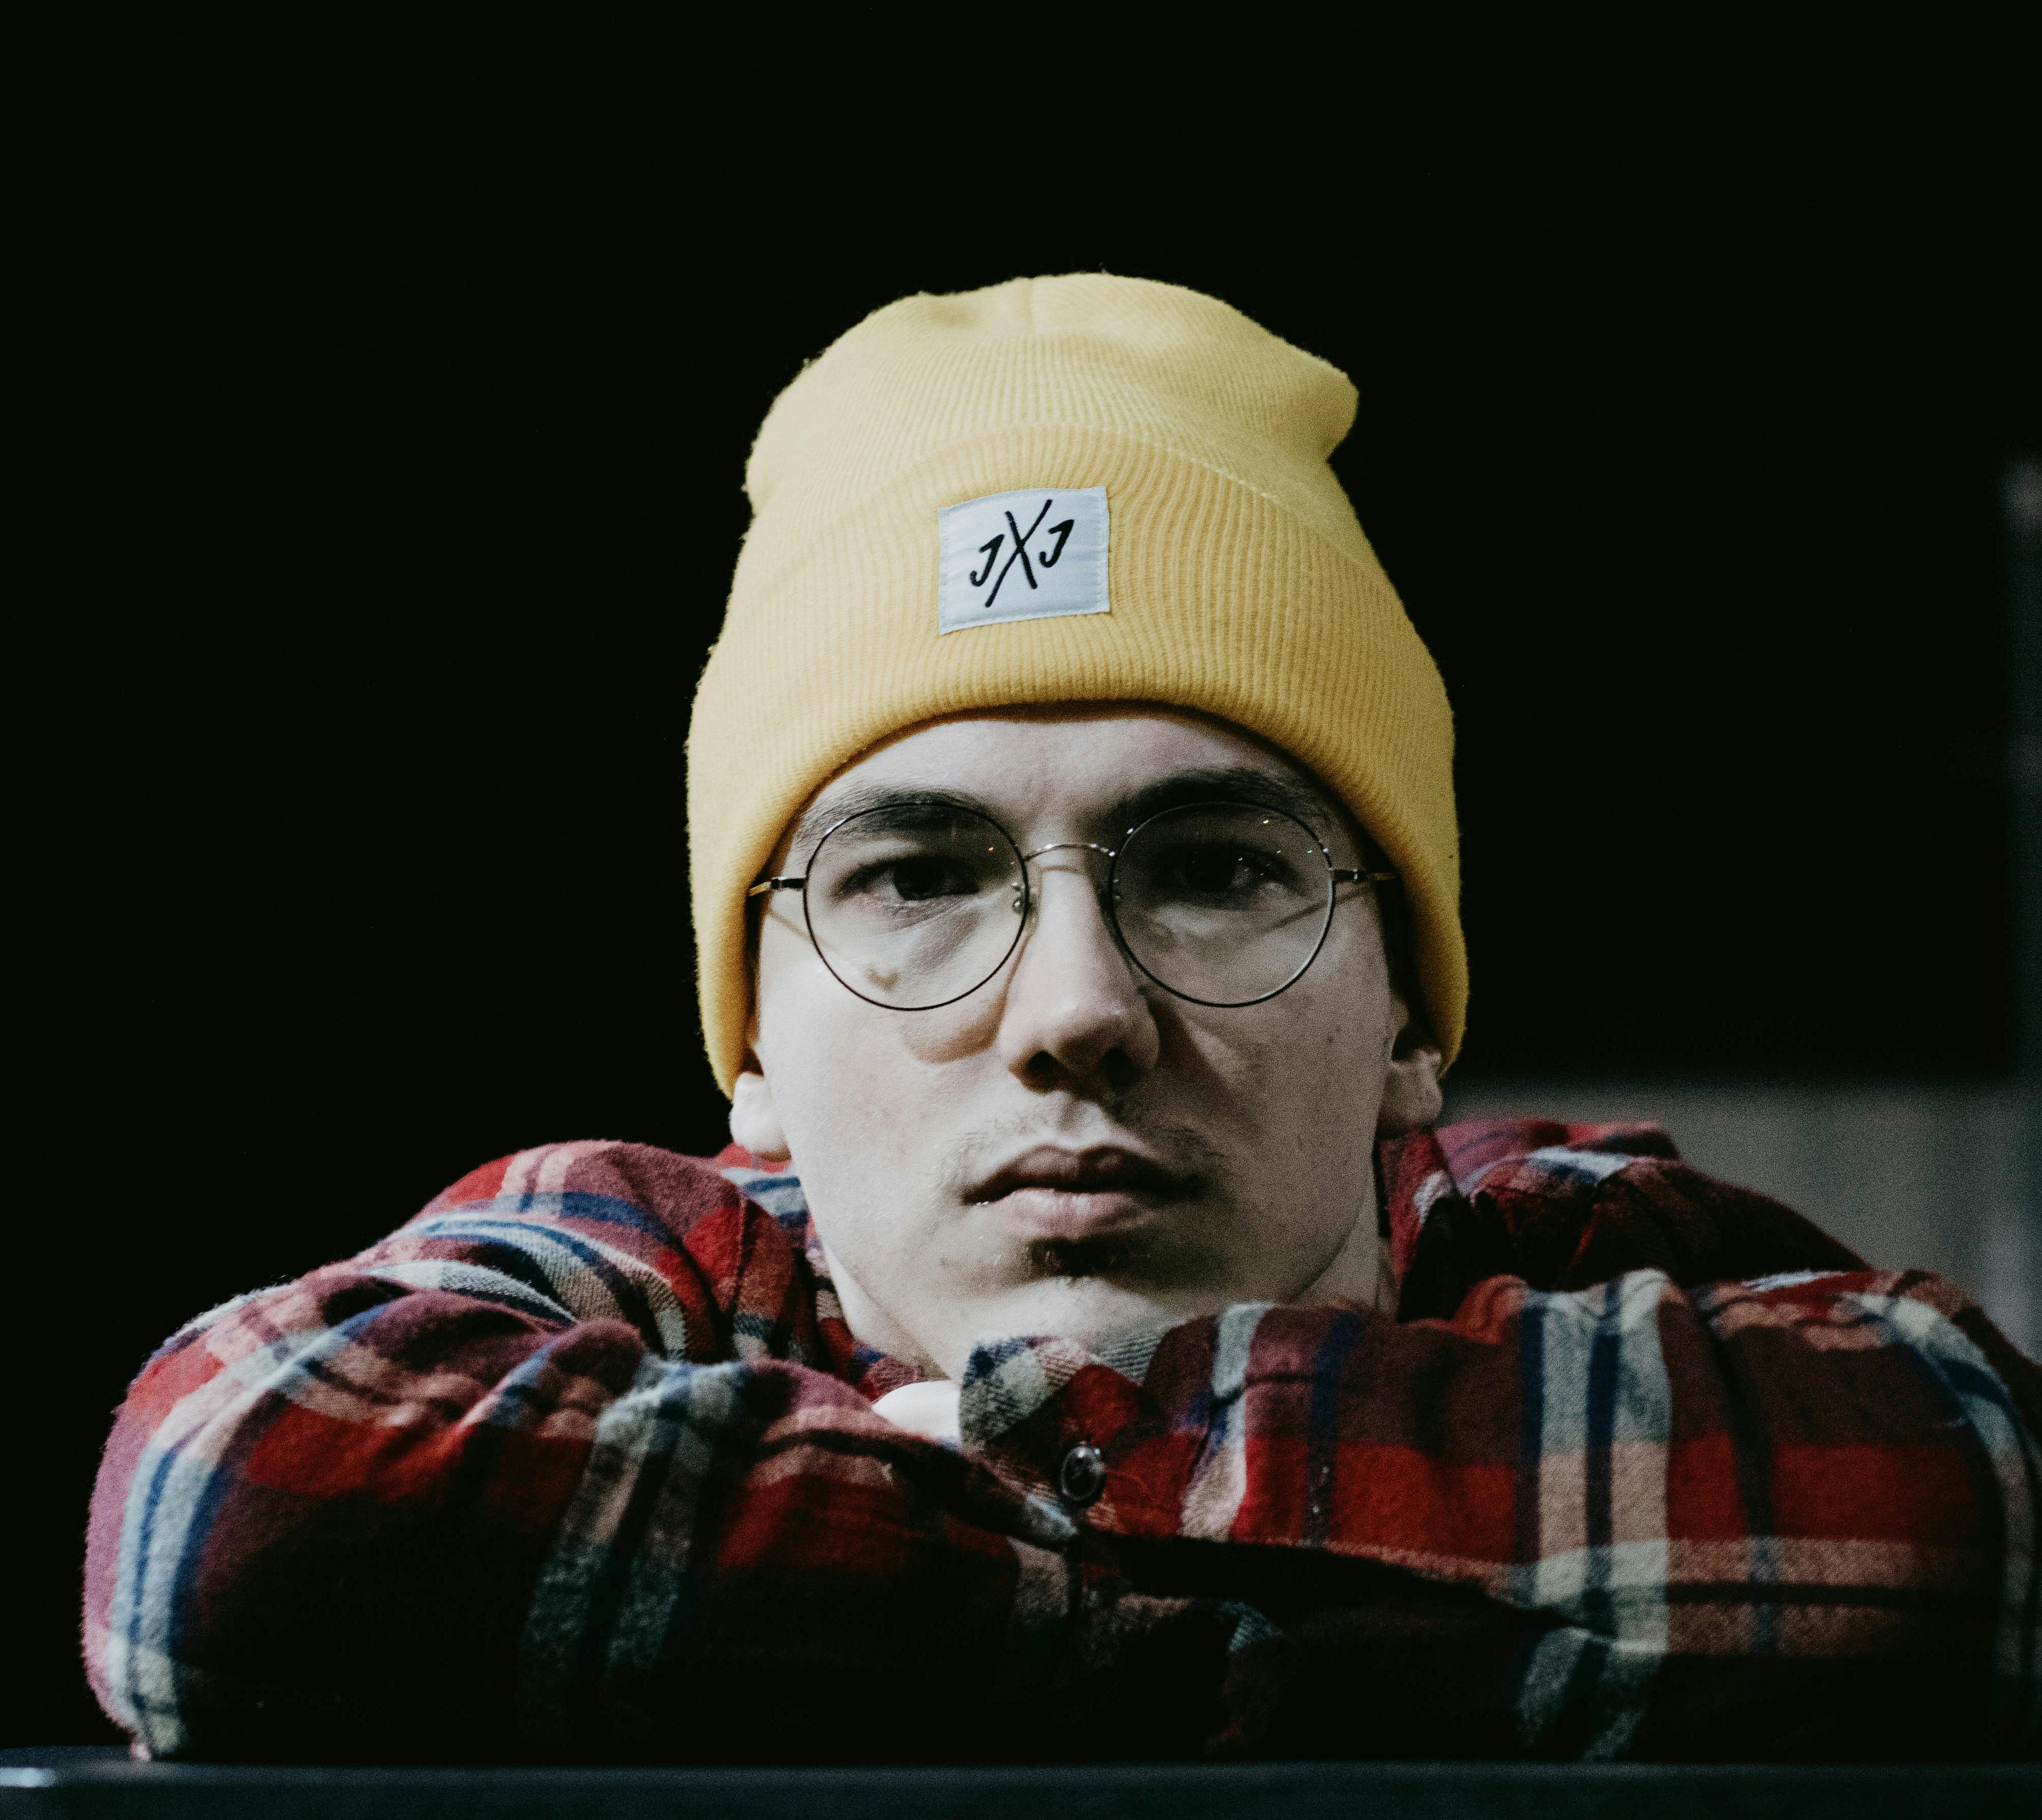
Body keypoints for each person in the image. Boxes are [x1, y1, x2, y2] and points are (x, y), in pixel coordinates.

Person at [84, 276, 2040, 1762]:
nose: (1080, 1010)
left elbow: (1971, 1496)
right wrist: (1325, 1577)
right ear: (748, 1059)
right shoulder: (664, 1260)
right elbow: (231, 1499)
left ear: (1413, 1024)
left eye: (1212, 865)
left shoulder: (1551, 1238)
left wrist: (963, 1495)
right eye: (919, 880)